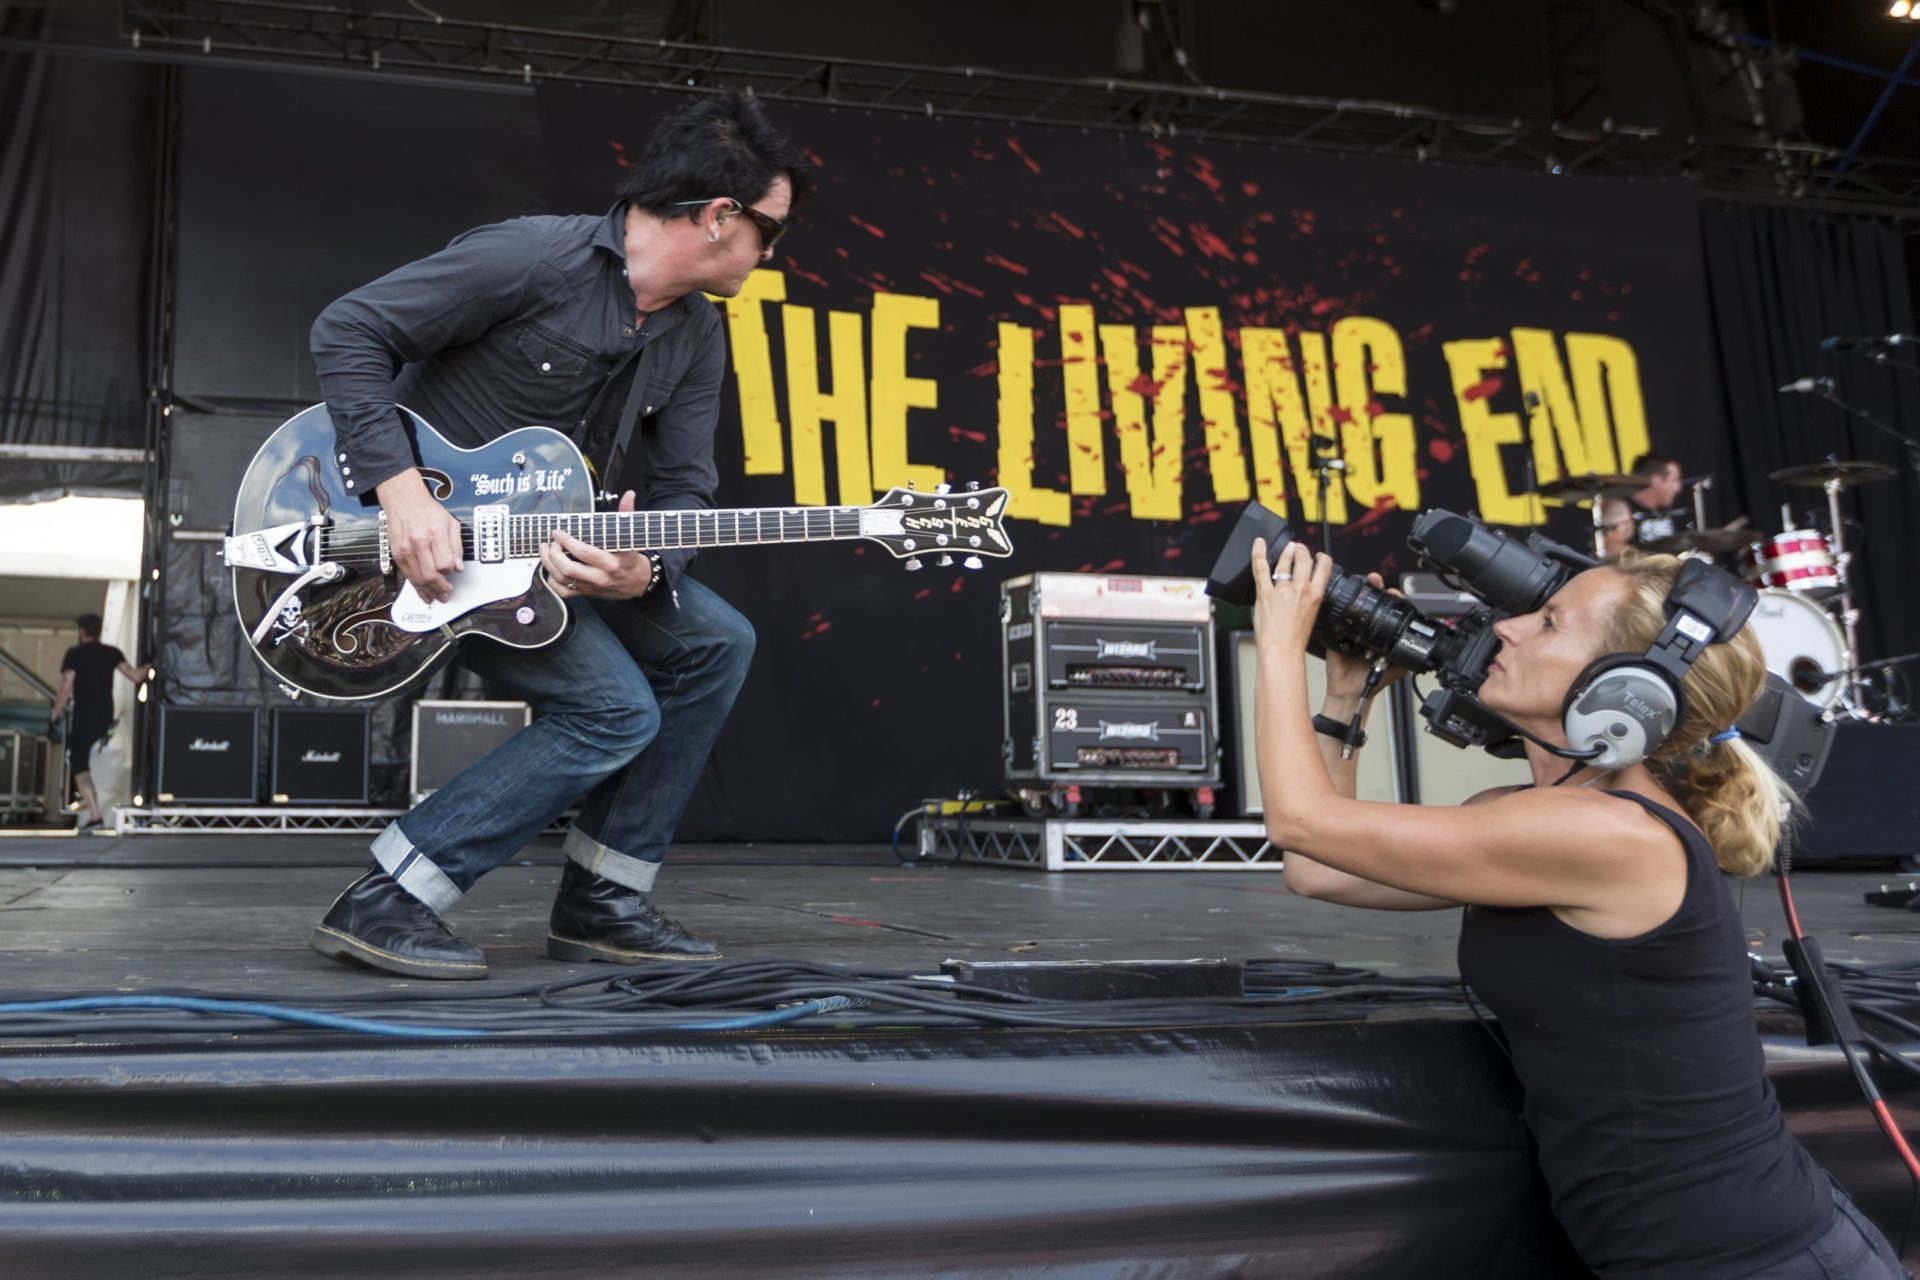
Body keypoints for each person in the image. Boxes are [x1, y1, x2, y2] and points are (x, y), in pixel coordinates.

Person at [1250, 537, 1909, 1279]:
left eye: (1551, 624)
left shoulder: (1616, 836)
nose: (1508, 627)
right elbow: (1315, 869)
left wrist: (1279, 636)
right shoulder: (1534, 818)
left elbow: (1298, 822)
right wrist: (1345, 693)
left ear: (1628, 692)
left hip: (1755, 1260)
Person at [305, 91, 811, 980]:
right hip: (420, 557)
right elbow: (349, 329)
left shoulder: (697, 335)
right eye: (771, 231)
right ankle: (392, 897)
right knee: (614, 709)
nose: (774, 254)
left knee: (719, 641)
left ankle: (602, 901)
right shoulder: (532, 256)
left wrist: (648, 564)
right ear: (721, 218)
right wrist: (403, 497)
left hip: (546, 569)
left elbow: (689, 487)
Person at [48, 613, 149, 831]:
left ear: (82, 631)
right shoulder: (112, 653)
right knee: (88, 764)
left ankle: (95, 815)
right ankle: (92, 810)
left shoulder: (74, 654)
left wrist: (54, 713)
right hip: (105, 719)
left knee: (80, 767)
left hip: (83, 718)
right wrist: (152, 664)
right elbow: (135, 676)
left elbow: (67, 684)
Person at [1626, 452, 1686, 548]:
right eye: (1674, 481)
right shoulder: (1623, 514)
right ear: (1656, 480)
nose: (1678, 488)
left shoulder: (1672, 510)